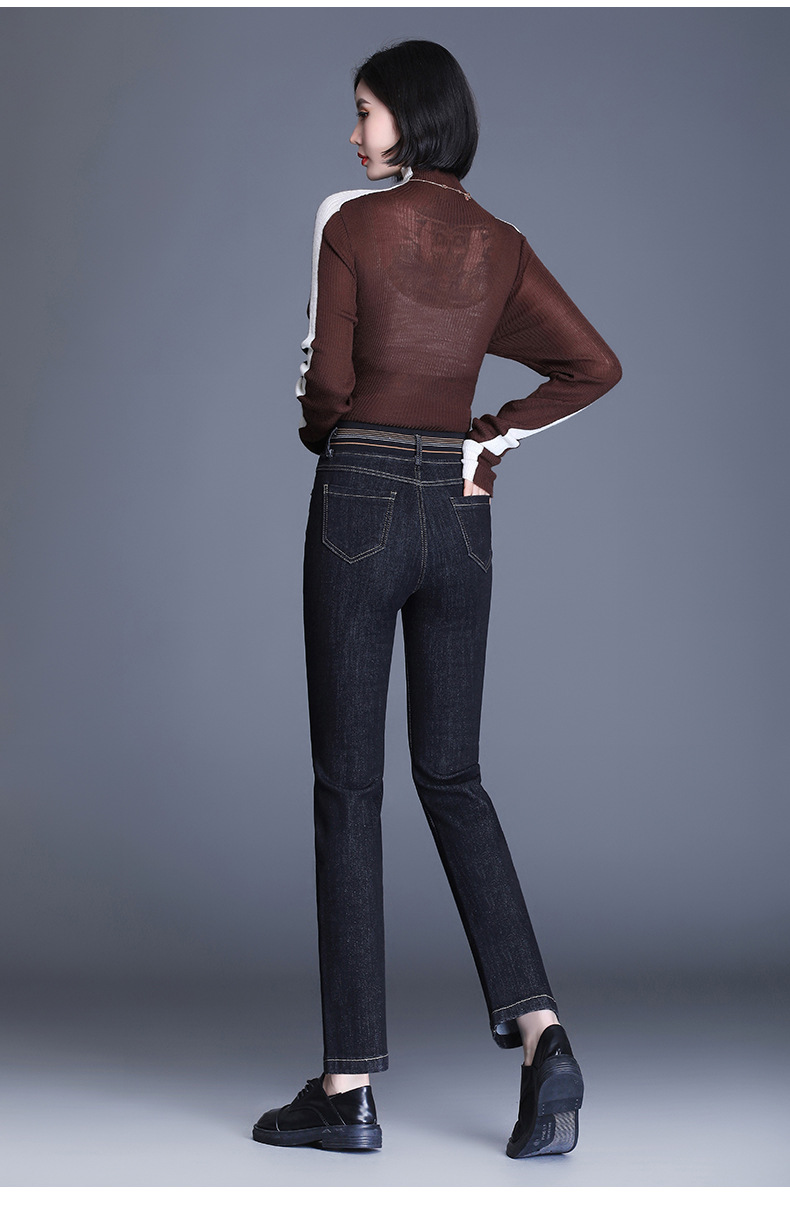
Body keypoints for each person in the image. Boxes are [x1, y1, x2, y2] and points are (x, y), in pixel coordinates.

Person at [252, 38, 621, 1158]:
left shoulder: (348, 219)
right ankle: (543, 1035)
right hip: (461, 514)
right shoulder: (500, 243)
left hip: (361, 495)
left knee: (348, 785)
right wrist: (486, 438)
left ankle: (348, 1087)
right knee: (453, 776)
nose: (353, 132)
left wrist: (329, 431)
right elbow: (592, 365)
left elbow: (326, 383)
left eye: (364, 111)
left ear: (407, 121)